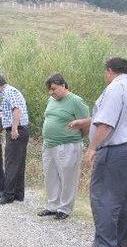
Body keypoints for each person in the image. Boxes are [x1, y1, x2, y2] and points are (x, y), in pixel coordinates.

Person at [70, 58, 127, 247]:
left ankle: (104, 245)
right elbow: (122, 117)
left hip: (118, 150)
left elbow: (106, 124)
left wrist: (92, 149)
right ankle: (120, 240)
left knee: (103, 194)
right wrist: (86, 121)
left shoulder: (115, 89)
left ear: (109, 71)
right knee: (126, 194)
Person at [38, 73, 90, 220]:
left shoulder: (76, 101)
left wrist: (82, 139)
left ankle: (65, 208)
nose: (51, 92)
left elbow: (86, 123)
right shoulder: (51, 99)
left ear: (62, 85)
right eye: (49, 90)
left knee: (68, 177)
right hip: (49, 144)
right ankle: (52, 205)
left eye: (53, 89)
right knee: (50, 176)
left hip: (68, 145)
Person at [0, 74, 30, 205]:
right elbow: (13, 109)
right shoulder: (10, 92)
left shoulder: (9, 91)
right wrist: (3, 115)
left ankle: (8, 195)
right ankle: (18, 194)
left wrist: (14, 128)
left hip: (17, 129)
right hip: (20, 128)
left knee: (11, 163)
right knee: (18, 163)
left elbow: (16, 109)